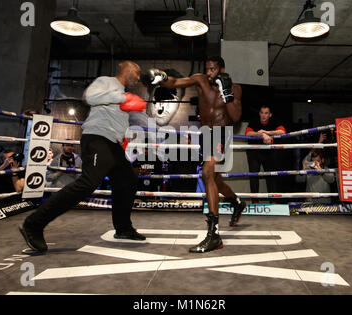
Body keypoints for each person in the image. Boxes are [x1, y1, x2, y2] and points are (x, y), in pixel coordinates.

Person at [19, 61, 148, 253]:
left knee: (128, 180)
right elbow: (89, 96)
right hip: (97, 138)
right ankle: (34, 223)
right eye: (136, 73)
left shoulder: (123, 92)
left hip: (113, 144)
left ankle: (123, 228)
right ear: (126, 69)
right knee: (88, 183)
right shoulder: (107, 82)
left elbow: (121, 118)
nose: (138, 78)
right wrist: (122, 97)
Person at [142, 56, 246, 253]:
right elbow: (175, 82)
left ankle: (214, 234)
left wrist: (226, 93)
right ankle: (236, 202)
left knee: (207, 174)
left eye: (213, 69)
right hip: (206, 134)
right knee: (215, 180)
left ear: (222, 69)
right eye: (207, 69)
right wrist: (162, 77)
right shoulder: (200, 80)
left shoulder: (235, 87)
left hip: (222, 134)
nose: (209, 73)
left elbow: (235, 116)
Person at [245, 105, 286, 200]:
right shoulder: (254, 121)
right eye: (262, 113)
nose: (263, 115)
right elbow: (247, 133)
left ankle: (273, 201)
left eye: (266, 113)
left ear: (270, 115)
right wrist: (260, 134)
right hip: (254, 153)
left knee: (271, 176)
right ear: (259, 113)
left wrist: (267, 132)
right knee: (254, 176)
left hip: (269, 153)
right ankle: (255, 202)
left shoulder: (274, 121)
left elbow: (282, 131)